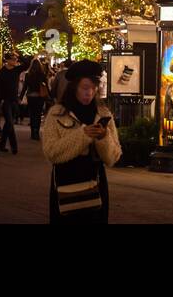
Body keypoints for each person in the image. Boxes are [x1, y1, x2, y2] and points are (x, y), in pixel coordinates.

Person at [41, 59, 121, 223]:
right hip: (66, 183)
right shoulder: (57, 113)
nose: (89, 93)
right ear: (74, 87)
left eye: (93, 88)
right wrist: (83, 135)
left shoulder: (103, 113)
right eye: (85, 88)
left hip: (95, 182)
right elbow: (51, 152)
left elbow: (114, 157)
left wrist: (103, 138)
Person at [0, 52, 22, 155]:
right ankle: (14, 147)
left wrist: (18, 55)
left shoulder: (16, 70)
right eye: (13, 59)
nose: (15, 61)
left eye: (16, 59)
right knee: (9, 122)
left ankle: (2, 144)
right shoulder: (2, 72)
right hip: (5, 101)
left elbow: (26, 63)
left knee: (8, 124)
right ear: (8, 61)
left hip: (14, 100)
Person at [24, 55, 50, 139]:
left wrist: (20, 97)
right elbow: (46, 86)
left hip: (31, 96)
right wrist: (50, 95)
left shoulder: (28, 74)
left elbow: (25, 87)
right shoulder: (42, 74)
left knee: (32, 114)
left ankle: (32, 133)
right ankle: (37, 133)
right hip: (40, 96)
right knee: (38, 114)